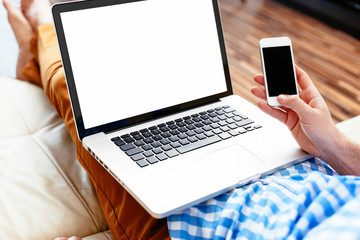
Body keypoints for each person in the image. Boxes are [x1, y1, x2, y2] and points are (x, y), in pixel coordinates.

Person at [3, 0, 360, 239]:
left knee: (81, 94)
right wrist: (336, 146)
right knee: (199, 100)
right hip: (303, 170)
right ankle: (36, 45)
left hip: (193, 222)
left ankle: (39, 31)